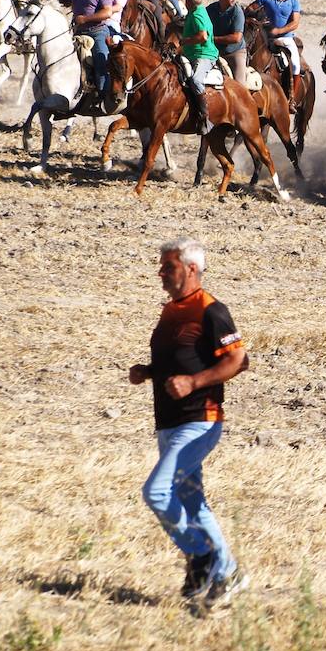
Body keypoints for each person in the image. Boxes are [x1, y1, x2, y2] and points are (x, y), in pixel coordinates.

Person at [130, 238, 249, 610]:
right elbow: (178, 360)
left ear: (191, 269)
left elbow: (238, 360)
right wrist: (148, 372)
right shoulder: (171, 311)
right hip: (167, 421)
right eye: (162, 266)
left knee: (157, 491)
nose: (161, 273)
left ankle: (201, 556)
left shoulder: (211, 310)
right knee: (192, 501)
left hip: (199, 420)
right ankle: (228, 572)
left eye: (168, 267)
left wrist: (194, 383)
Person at [62, 0, 117, 95]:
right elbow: (66, 1)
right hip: (77, 32)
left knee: (101, 60)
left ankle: (103, 95)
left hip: (98, 32)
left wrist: (85, 19)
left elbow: (108, 12)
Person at [250, 0, 302, 90]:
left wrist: (278, 31)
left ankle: (292, 97)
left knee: (295, 64)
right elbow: (251, 8)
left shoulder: (294, 1)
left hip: (285, 38)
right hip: (265, 38)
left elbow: (295, 23)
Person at [178, 0, 217, 133]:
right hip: (191, 54)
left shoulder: (196, 15)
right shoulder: (194, 13)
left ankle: (204, 115)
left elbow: (203, 37)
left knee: (195, 80)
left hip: (204, 55)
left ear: (188, 1)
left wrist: (184, 41)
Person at [207, 0, 247, 85]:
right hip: (214, 52)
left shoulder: (237, 12)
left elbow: (236, 38)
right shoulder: (210, 9)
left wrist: (213, 39)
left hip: (234, 52)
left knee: (239, 86)